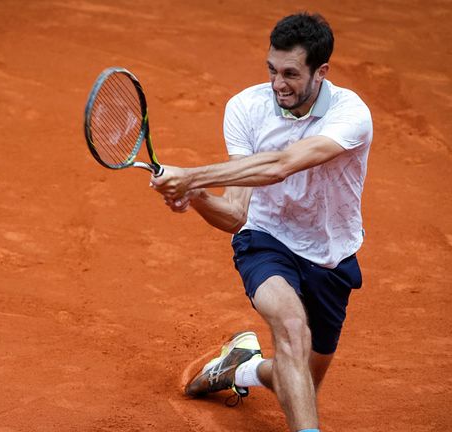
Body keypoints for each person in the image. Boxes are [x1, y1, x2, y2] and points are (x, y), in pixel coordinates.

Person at [149, 12, 373, 432]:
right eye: (272, 69)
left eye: (290, 74)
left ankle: (240, 369)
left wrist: (193, 176)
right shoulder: (245, 108)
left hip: (332, 255)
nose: (277, 84)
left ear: (321, 72)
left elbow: (281, 166)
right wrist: (195, 196)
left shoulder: (350, 115)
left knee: (299, 377)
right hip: (266, 240)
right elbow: (236, 215)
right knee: (290, 326)